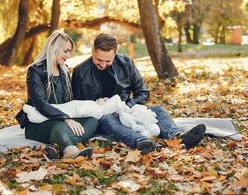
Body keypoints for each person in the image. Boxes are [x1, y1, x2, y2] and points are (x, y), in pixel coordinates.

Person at [71, 33, 206, 155]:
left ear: (115, 54)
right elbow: (77, 106)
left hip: (129, 110)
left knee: (158, 109)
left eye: (108, 61)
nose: (102, 64)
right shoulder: (80, 71)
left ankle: (179, 137)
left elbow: (143, 93)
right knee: (108, 120)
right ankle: (141, 142)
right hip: (103, 116)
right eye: (99, 59)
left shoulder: (126, 63)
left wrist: (127, 107)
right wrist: (96, 106)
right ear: (92, 51)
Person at [15, 30, 98, 159]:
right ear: (54, 48)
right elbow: (41, 105)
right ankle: (69, 151)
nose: (68, 55)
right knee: (59, 127)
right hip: (39, 122)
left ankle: (56, 147)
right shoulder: (35, 70)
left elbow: (71, 101)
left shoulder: (65, 70)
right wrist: (66, 118)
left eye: (70, 51)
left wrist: (94, 104)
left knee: (92, 120)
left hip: (63, 119)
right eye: (66, 51)